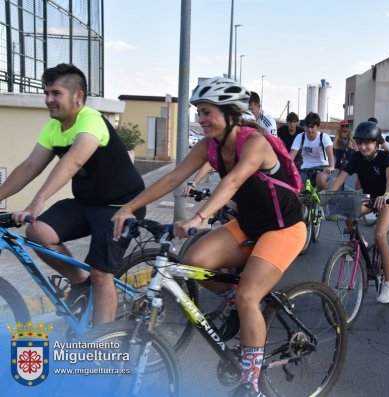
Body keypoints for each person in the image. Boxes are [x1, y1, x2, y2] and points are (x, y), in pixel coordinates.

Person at [112, 76, 306, 397]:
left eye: (207, 112)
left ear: (230, 113)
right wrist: (129, 207)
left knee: (247, 295)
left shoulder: (254, 142)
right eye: (199, 112)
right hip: (249, 224)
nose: (201, 120)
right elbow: (175, 177)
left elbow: (230, 185)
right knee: (193, 262)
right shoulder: (209, 147)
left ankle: (250, 384)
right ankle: (242, 308)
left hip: (284, 228)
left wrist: (198, 218)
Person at [0, 63, 146, 325]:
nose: (48, 100)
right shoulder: (54, 127)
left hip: (121, 207)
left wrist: (38, 201)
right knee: (38, 231)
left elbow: (73, 162)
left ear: (78, 97)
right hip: (87, 203)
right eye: (47, 93)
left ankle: (102, 345)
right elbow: (29, 167)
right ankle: (81, 283)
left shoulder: (91, 120)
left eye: (56, 93)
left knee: (102, 274)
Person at [330, 121, 389, 303]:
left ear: (376, 142)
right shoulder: (356, 157)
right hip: (370, 197)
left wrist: (386, 195)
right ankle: (358, 241)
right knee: (347, 211)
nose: (363, 147)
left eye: (367, 143)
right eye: (359, 143)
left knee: (379, 235)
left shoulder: (385, 157)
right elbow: (342, 176)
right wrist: (328, 193)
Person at [289, 112, 335, 191]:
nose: (309, 130)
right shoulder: (300, 137)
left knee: (320, 180)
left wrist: (331, 167)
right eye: (307, 127)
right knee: (297, 188)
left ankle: (324, 201)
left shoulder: (324, 137)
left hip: (323, 167)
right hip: (305, 168)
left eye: (312, 127)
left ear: (317, 127)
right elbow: (291, 157)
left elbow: (330, 155)